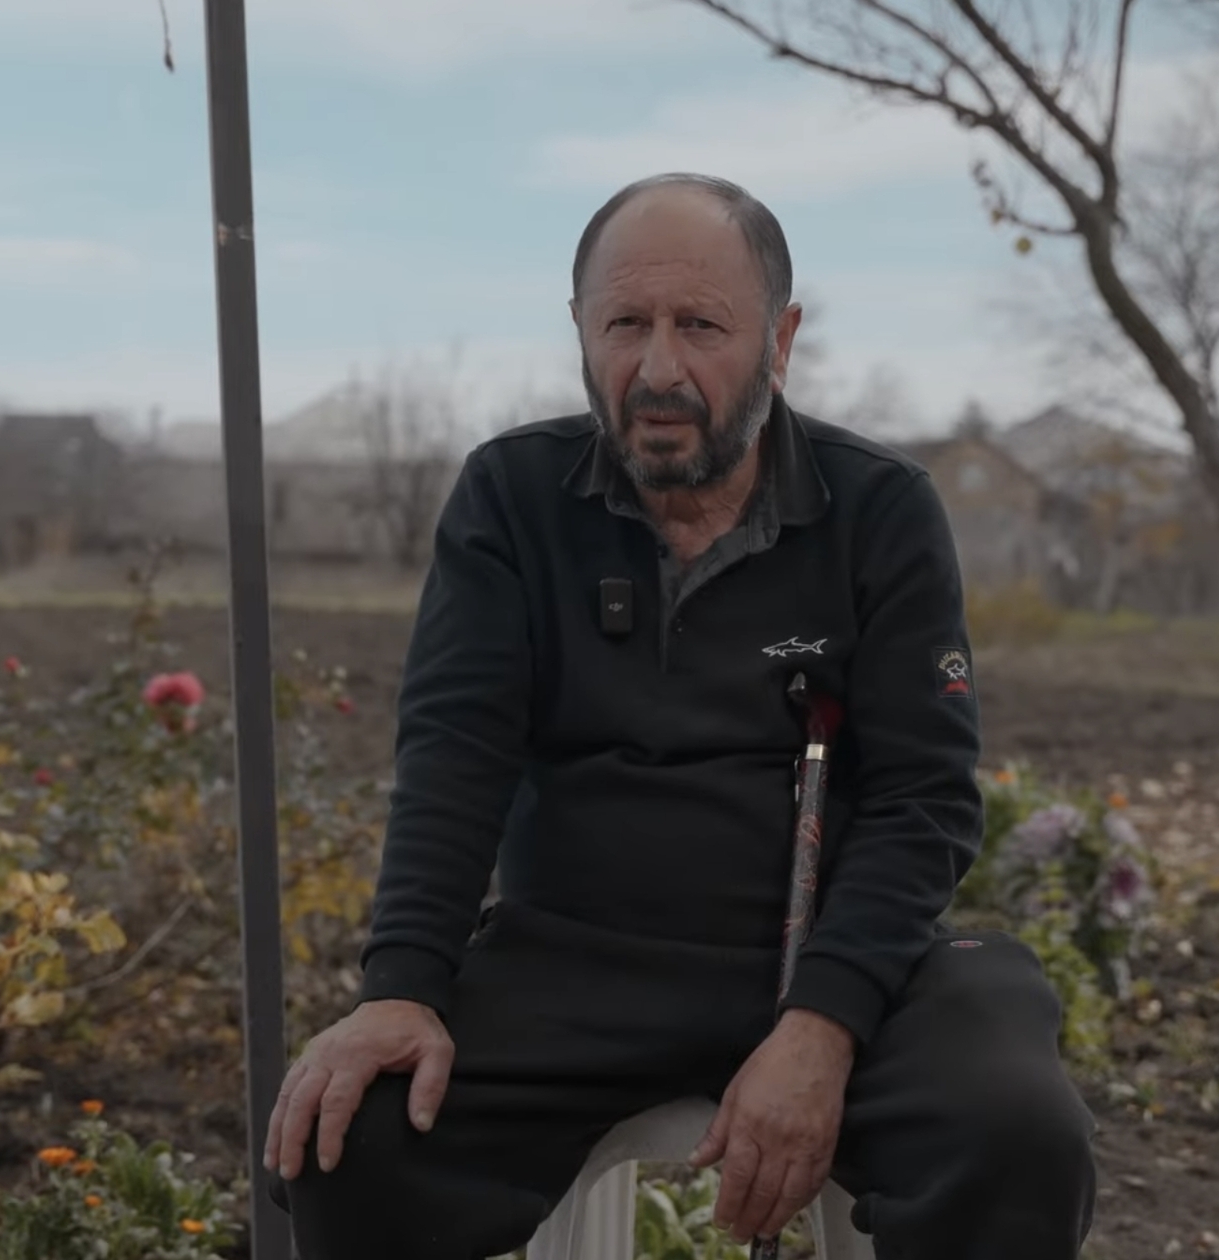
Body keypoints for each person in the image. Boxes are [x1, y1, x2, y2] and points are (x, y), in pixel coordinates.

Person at [265, 172, 1099, 1260]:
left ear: (779, 340)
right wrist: (401, 988)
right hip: (576, 961)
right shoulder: (510, 498)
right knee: (352, 1138)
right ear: (580, 331)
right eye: (625, 325)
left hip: (838, 958)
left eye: (701, 325)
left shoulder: (880, 508)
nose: (658, 369)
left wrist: (822, 1023)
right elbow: (452, 759)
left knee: (1016, 1135)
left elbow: (923, 798)